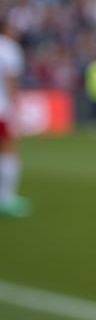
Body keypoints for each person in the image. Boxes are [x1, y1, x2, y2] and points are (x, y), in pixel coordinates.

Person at [0, 18, 30, 216]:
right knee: (9, 150)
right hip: (3, 108)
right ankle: (7, 198)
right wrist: (15, 109)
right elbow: (11, 81)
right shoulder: (10, 49)